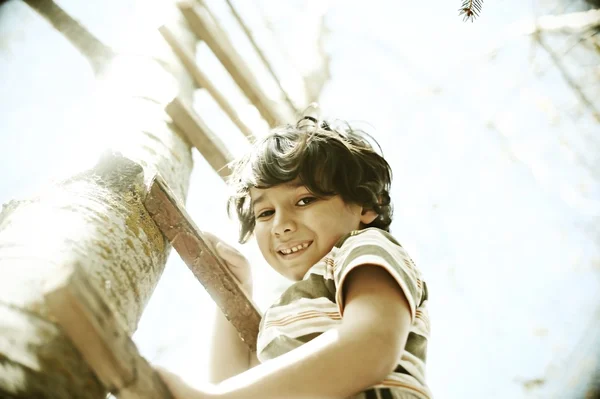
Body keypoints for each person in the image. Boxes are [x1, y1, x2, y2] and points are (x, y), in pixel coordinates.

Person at [157, 104, 432, 399]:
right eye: (264, 213)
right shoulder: (281, 319)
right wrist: (233, 290)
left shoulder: (365, 247)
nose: (281, 225)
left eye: (304, 201)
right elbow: (235, 382)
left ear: (366, 205)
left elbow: (372, 344)